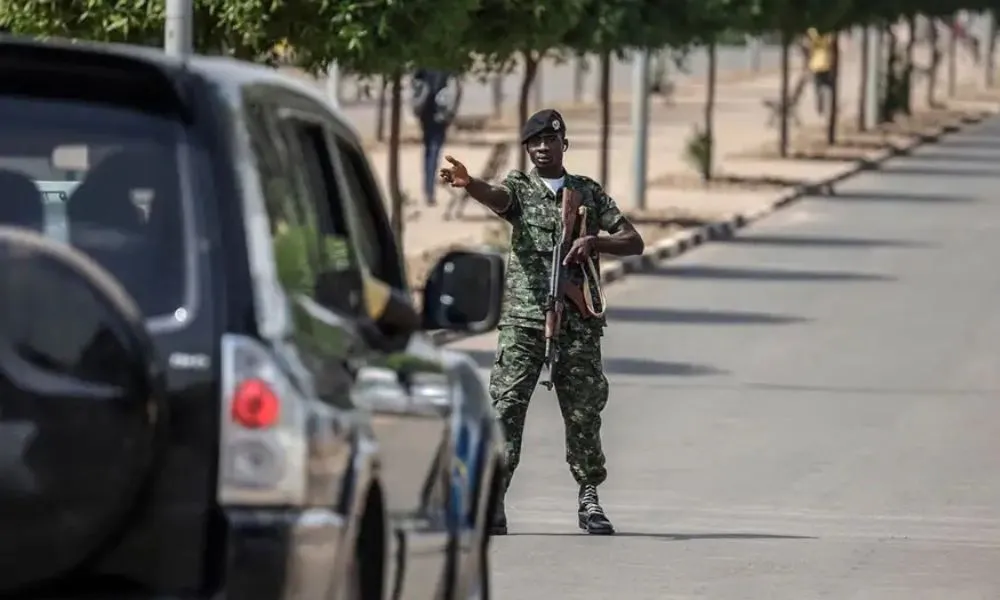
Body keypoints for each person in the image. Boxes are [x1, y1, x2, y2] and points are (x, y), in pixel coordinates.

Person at [438, 109, 645, 536]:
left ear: (563, 143)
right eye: (535, 143)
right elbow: (499, 198)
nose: (543, 148)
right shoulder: (520, 187)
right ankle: (493, 499)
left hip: (578, 321)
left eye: (550, 141)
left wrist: (595, 241)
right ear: (528, 148)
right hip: (524, 320)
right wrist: (471, 184)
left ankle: (589, 496)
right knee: (506, 409)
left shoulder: (586, 191)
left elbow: (634, 241)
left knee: (584, 411)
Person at [411, 68, 462, 207]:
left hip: (425, 113)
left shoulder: (423, 63)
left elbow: (415, 81)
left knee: (428, 151)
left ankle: (428, 189)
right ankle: (429, 190)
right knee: (433, 151)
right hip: (440, 114)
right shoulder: (444, 62)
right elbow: (455, 85)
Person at [805, 27, 835, 115]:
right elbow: (831, 45)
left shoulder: (812, 32)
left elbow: (807, 48)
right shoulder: (828, 34)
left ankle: (819, 107)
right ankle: (831, 104)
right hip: (826, 63)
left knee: (817, 88)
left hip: (815, 65)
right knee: (830, 85)